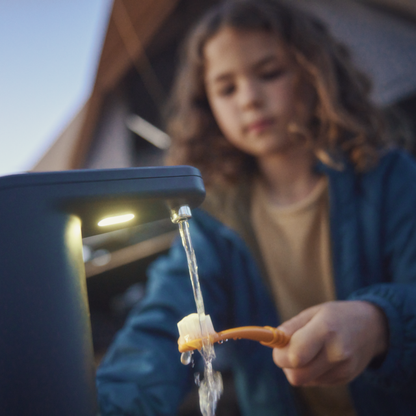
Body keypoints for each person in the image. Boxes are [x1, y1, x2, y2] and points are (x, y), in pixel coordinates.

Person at [96, 1, 416, 415]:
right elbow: (164, 321)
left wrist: (379, 324)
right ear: (206, 104)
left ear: (313, 71)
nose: (248, 98)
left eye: (269, 73)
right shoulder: (214, 220)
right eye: (226, 88)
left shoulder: (390, 178)